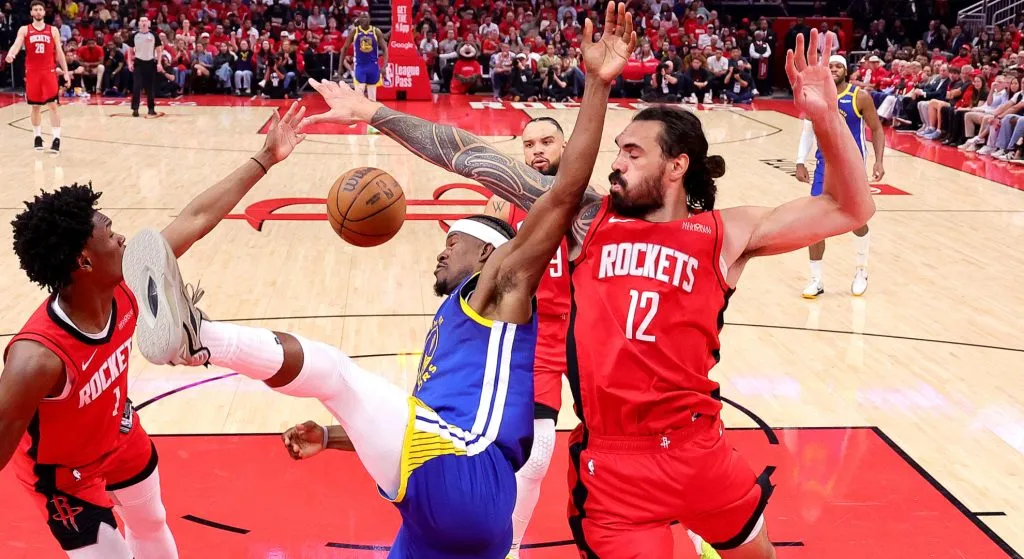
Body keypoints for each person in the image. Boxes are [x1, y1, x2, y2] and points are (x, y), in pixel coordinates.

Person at [297, 28, 869, 558]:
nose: (615, 164)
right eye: (617, 150)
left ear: (677, 165)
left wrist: (826, 118)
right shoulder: (589, 220)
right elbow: (472, 156)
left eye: (632, 153)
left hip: (700, 448)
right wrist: (373, 112)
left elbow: (850, 208)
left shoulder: (727, 233)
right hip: (615, 466)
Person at [121, 5, 635, 559]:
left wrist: (596, 86)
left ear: (488, 254)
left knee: (338, 374)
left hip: (467, 466)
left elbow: (554, 192)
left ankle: (200, 337)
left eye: (454, 241)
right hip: (443, 503)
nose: (442, 249)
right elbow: (413, 416)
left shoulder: (502, 280)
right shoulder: (453, 316)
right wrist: (333, 437)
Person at [0, 103, 308, 559]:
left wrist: (266, 158)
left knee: (153, 521)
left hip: (118, 434)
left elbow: (195, 219)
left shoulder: (128, 283)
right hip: (63, 475)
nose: (122, 238)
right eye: (110, 234)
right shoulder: (37, 358)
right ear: (84, 261)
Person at [482, 117, 719, 559]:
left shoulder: (599, 202)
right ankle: (509, 547)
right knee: (538, 451)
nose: (537, 150)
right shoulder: (505, 202)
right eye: (529, 144)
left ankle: (705, 536)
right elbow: (486, 269)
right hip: (537, 335)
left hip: (596, 332)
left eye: (547, 141)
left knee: (657, 441)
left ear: (567, 145)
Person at [795, 54, 885, 298]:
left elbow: (877, 129)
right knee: (814, 223)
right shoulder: (817, 97)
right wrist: (800, 160)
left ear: (846, 70)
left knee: (856, 220)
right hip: (824, 167)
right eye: (830, 66)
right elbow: (808, 131)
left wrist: (879, 161)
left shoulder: (859, 96)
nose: (834, 69)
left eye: (838, 66)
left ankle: (861, 271)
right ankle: (816, 280)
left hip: (851, 168)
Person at [4, 0, 70, 153]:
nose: (38, 11)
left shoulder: (53, 30)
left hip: (49, 71)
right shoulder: (25, 29)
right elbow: (17, 44)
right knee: (35, 106)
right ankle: (37, 136)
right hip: (32, 72)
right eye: (35, 9)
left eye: (41, 9)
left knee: (53, 105)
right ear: (31, 12)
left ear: (44, 12)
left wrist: (66, 72)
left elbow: (59, 52)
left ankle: (56, 138)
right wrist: (11, 54)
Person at [127, 16, 163, 117]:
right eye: (142, 21)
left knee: (150, 88)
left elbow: (159, 50)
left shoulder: (154, 35)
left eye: (145, 21)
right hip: (138, 63)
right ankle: (135, 109)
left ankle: (151, 109)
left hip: (150, 63)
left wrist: (159, 63)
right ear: (139, 23)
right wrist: (130, 63)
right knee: (136, 86)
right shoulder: (134, 35)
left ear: (148, 23)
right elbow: (130, 51)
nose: (143, 23)